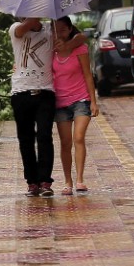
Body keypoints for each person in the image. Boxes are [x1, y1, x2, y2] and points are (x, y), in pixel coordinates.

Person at [9, 18, 58, 196]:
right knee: (26, 139)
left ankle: (45, 181)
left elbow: (77, 36)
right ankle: (32, 182)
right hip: (20, 93)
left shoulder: (51, 29)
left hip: (45, 92)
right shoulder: (16, 29)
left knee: (45, 135)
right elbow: (25, 27)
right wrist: (37, 11)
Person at [51, 16, 99, 195]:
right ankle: (67, 182)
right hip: (61, 102)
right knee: (65, 142)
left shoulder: (80, 48)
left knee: (78, 137)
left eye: (63, 29)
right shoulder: (51, 51)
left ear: (70, 29)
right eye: (56, 29)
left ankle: (80, 179)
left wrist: (93, 102)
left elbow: (88, 75)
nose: (59, 33)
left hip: (81, 99)